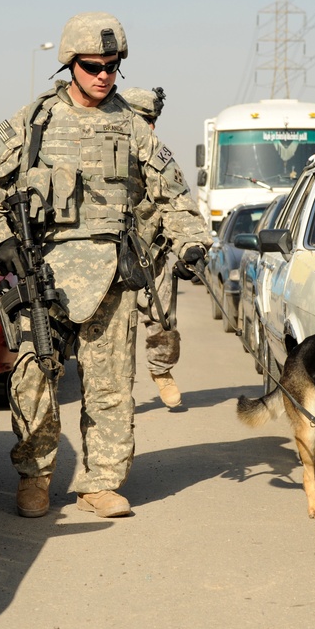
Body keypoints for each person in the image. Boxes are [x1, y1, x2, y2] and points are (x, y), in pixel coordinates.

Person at [0, 12, 211, 520]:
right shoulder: (33, 121)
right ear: (70, 65)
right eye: (92, 66)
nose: (103, 75)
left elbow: (173, 189)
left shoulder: (131, 125)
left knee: (110, 384)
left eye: (112, 66)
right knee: (34, 379)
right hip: (45, 274)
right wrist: (0, 243)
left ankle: (99, 483)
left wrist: (191, 241)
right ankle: (35, 477)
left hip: (113, 274)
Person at [120, 86, 182, 408]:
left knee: (163, 322)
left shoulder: (158, 156)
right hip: (110, 261)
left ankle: (161, 372)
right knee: (119, 330)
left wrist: (188, 245)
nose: (150, 127)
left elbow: (176, 203)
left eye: (152, 120)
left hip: (152, 256)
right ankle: (120, 391)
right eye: (144, 119)